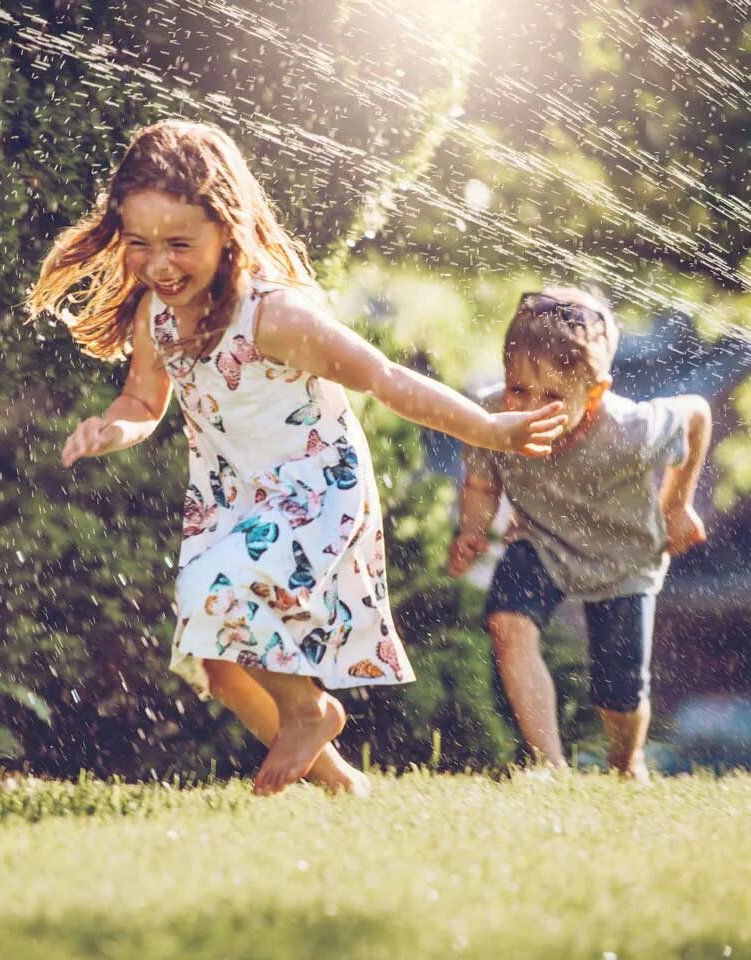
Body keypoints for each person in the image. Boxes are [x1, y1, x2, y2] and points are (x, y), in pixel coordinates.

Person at [29, 119, 566, 796]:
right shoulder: (156, 317)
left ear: (228, 230)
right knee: (218, 664)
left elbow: (384, 378)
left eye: (179, 244)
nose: (159, 264)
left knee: (218, 599)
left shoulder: (274, 316)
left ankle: (310, 711)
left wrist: (490, 428)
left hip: (313, 489)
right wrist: (113, 429)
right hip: (229, 500)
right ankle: (341, 784)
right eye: (139, 244)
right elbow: (142, 400)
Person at [449, 287, 712, 781]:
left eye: (551, 396)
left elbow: (698, 411)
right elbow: (482, 481)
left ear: (594, 393)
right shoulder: (492, 419)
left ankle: (625, 761)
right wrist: (473, 527)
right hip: (542, 542)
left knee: (618, 692)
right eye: (517, 388)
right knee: (508, 623)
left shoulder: (633, 429)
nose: (528, 407)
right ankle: (548, 766)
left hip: (624, 559)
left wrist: (677, 504)